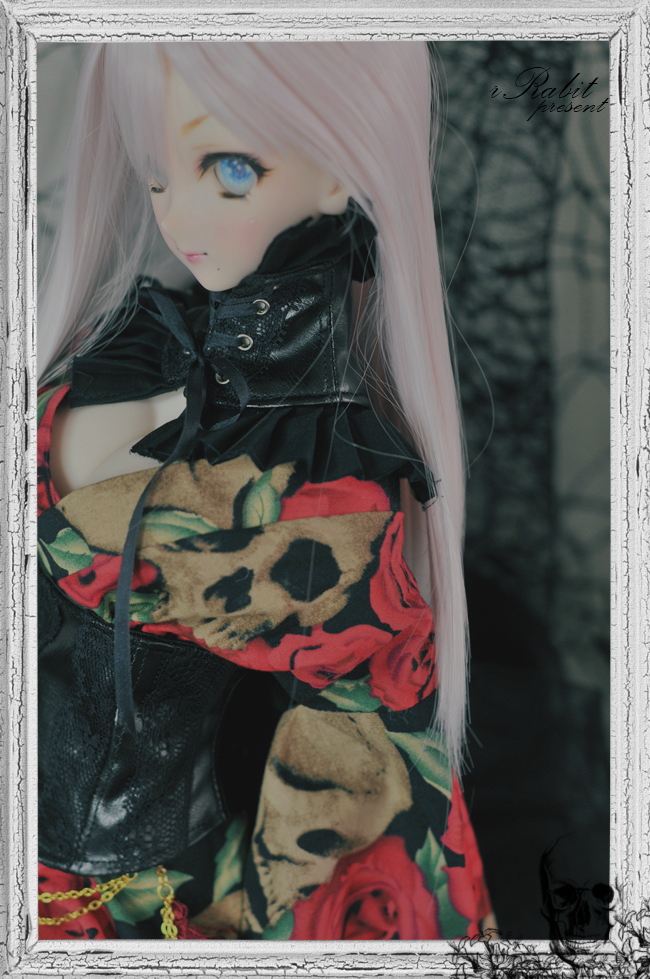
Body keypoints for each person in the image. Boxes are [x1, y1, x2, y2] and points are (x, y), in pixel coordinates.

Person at [36, 40, 494, 940]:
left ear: (344, 169)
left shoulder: (331, 494)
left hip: (122, 907)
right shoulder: (132, 347)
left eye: (231, 168)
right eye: (155, 171)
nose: (177, 215)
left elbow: (349, 837)